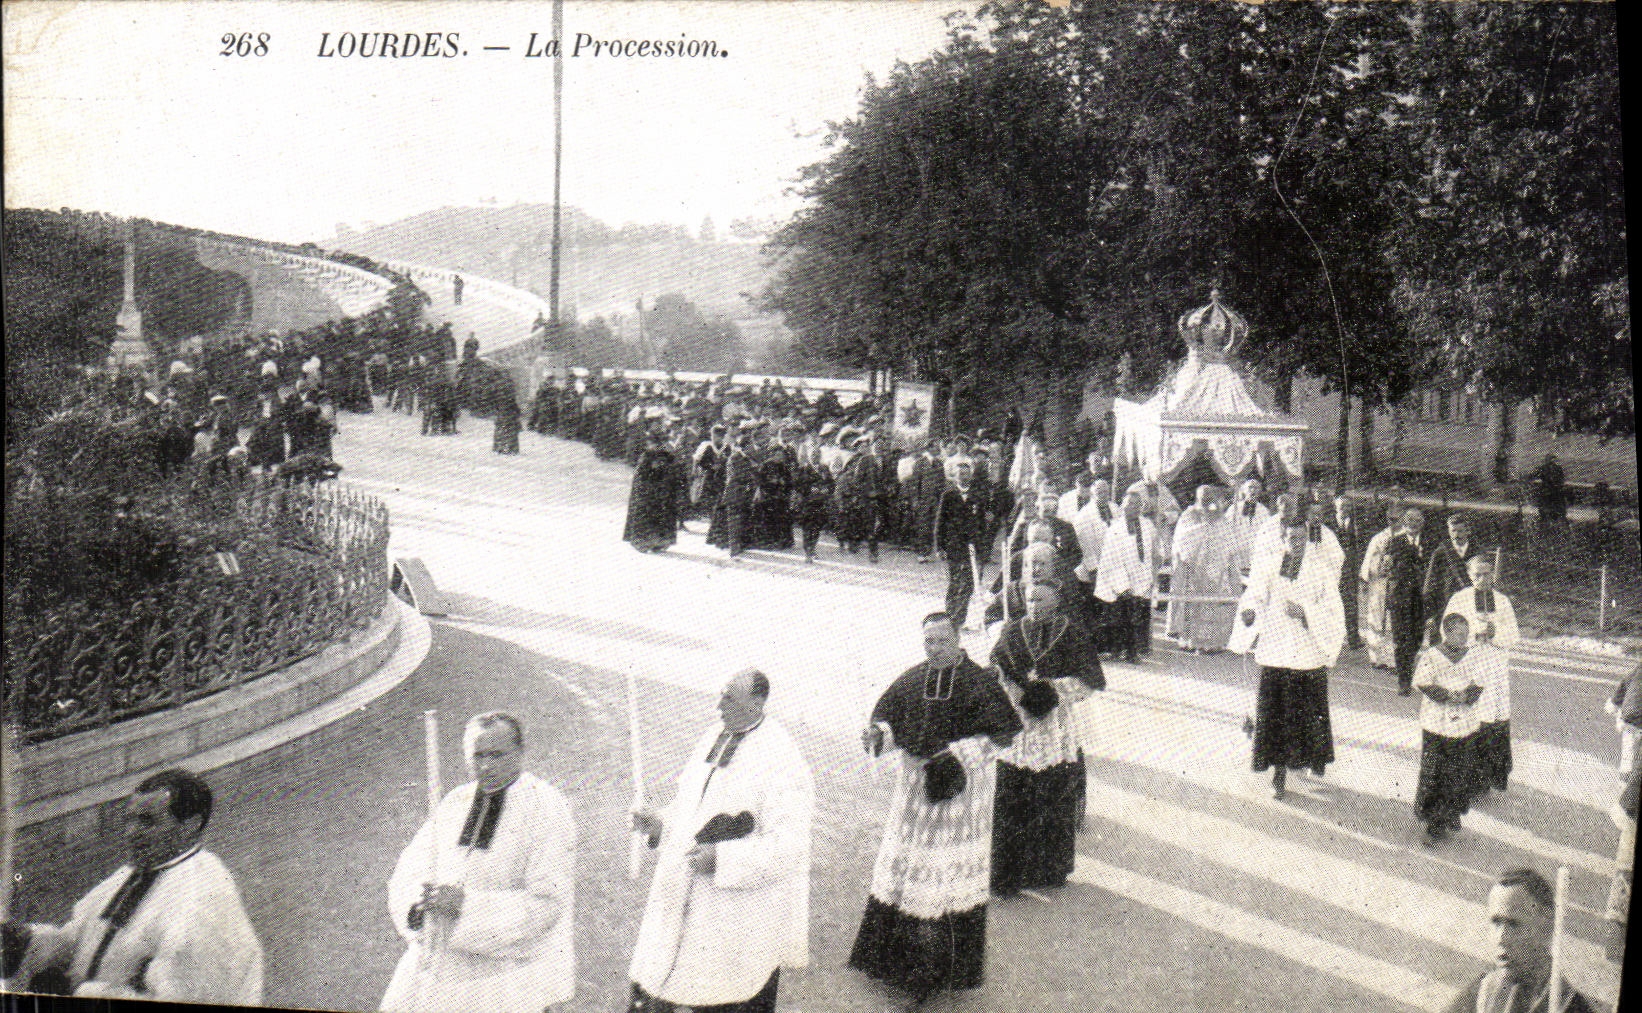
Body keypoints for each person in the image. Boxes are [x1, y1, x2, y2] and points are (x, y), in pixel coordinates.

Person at [849, 614, 1021, 1002]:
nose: (934, 648)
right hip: (914, 788)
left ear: (958, 640)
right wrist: (879, 735)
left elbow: (1005, 733)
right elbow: (890, 720)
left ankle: (932, 975)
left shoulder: (979, 682)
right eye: (928, 641)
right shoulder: (912, 678)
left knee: (941, 878)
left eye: (941, 641)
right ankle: (894, 965)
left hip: (960, 793)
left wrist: (957, 755)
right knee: (908, 872)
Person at [627, 670, 814, 1013]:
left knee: (715, 995)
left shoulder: (782, 758)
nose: (718, 706)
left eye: (729, 698)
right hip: (680, 893)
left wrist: (723, 859)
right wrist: (660, 825)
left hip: (731, 913)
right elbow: (689, 807)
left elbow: (789, 846)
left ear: (758, 702)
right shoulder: (714, 735)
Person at [5, 769, 264, 1003]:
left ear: (190, 826)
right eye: (129, 820)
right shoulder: (138, 870)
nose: (131, 832)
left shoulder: (202, 902)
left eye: (147, 821)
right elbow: (79, 940)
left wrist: (81, 992)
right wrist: (26, 941)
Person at [382, 712, 576, 1013]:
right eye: (477, 756)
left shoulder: (546, 808)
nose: (485, 766)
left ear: (520, 753)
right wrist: (417, 906)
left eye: (497, 755)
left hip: (503, 973)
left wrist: (465, 904)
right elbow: (410, 870)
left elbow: (547, 905)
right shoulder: (455, 801)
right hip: (433, 958)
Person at [988, 583, 1104, 895]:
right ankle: (1007, 871)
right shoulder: (1013, 630)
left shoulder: (1072, 633)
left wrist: (1053, 691)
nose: (1034, 604)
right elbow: (996, 668)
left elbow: (1090, 680)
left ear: (1056, 602)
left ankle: (1048, 869)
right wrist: (1018, 691)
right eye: (1030, 599)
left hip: (1056, 722)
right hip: (1020, 721)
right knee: (1012, 794)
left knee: (1053, 795)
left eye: (1040, 599)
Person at [1235, 520, 1346, 799]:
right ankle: (1279, 772)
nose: (1295, 543)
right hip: (1276, 647)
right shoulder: (1271, 566)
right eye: (1290, 538)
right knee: (1275, 714)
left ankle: (1312, 759)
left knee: (1307, 712)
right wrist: (1249, 611)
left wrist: (1306, 612)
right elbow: (1255, 596)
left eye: (1300, 538)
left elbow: (1334, 611)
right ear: (1282, 538)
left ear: (1307, 539)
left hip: (1307, 651)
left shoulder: (1320, 570)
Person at [1439, 868, 1595, 1013]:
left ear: (1547, 925)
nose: (1501, 938)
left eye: (1513, 924)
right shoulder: (1481, 994)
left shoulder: (1571, 1006)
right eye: (1496, 922)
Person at [1444, 556, 1521, 796]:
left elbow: (1514, 635)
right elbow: (1446, 629)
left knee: (1491, 722)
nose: (1483, 579)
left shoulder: (1503, 601)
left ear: (1493, 574)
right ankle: (1464, 778)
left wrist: (1496, 631)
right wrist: (1472, 633)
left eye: (1487, 574)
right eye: (1477, 574)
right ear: (1469, 575)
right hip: (1470, 667)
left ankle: (1486, 778)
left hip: (1495, 670)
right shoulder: (1459, 599)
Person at [1414, 614, 1486, 845]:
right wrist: (1446, 696)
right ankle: (1433, 820)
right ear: (1447, 633)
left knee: (1456, 771)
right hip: (1436, 721)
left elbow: (1480, 681)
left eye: (1467, 634)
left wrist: (1466, 696)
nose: (1464, 639)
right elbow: (1423, 682)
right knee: (1435, 769)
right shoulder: (1432, 656)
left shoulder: (1474, 655)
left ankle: (1448, 816)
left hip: (1463, 722)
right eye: (1459, 634)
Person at [1170, 485, 1239, 653]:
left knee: (1212, 605)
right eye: (1203, 496)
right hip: (1192, 567)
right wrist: (1203, 530)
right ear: (1197, 497)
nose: (1206, 500)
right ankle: (1189, 640)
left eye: (1209, 496)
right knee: (1192, 604)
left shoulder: (1221, 517)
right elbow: (1182, 538)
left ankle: (1213, 643)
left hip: (1215, 568)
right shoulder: (1189, 514)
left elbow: (1228, 539)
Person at [1095, 488, 1158, 663]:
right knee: (1120, 617)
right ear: (1123, 506)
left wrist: (1150, 576)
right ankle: (1119, 651)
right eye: (1130, 504)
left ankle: (1133, 651)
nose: (1134, 508)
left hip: (1141, 578)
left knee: (1136, 616)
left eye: (1138, 504)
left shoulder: (1147, 525)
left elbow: (1152, 552)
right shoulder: (1114, 529)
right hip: (1118, 580)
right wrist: (1123, 586)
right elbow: (1112, 559)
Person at [933, 455, 989, 623]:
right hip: (954, 546)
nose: (963, 477)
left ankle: (958, 618)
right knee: (955, 581)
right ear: (954, 476)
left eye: (966, 474)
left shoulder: (978, 495)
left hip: (973, 546)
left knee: (970, 582)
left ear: (970, 475)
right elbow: (940, 521)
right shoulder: (948, 495)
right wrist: (939, 547)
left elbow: (982, 523)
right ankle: (950, 617)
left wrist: (983, 547)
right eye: (960, 474)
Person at [1387, 508, 1429, 695]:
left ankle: (1409, 667)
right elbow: (1390, 568)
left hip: (1420, 599)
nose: (1414, 523)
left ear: (1422, 523)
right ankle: (1403, 680)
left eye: (1418, 520)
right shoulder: (1395, 541)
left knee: (1417, 638)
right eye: (1410, 520)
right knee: (1400, 639)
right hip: (1400, 599)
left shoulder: (1429, 542)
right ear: (1404, 522)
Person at [1358, 501, 1405, 669]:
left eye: (1396, 518)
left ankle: (1392, 659)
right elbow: (1368, 560)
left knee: (1393, 622)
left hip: (1396, 585)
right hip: (1378, 584)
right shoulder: (1378, 538)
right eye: (1390, 518)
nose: (1393, 522)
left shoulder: (1407, 537)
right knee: (1375, 619)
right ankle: (1376, 657)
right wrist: (1366, 579)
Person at [625, 431, 684, 553]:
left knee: (662, 516)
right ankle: (643, 542)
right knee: (646, 516)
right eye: (652, 444)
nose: (655, 447)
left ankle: (660, 542)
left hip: (663, 493)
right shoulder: (646, 457)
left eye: (658, 444)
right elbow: (640, 476)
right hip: (648, 493)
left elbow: (675, 472)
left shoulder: (668, 457)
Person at [1423, 513, 1478, 644]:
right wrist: (1428, 610)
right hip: (1444, 601)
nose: (1456, 535)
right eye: (1453, 530)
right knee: (1438, 639)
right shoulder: (1441, 552)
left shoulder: (1476, 551)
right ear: (1448, 531)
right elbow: (1430, 582)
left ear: (1468, 531)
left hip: (1467, 601)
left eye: (1460, 530)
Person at [1330, 494, 1366, 651]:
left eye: (1347, 506)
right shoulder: (1328, 525)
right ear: (1335, 507)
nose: (1344, 509)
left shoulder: (1357, 525)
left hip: (1350, 571)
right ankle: (1332, 638)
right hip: (1332, 572)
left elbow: (1361, 547)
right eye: (1341, 506)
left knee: (1351, 604)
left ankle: (1353, 638)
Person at [1227, 478, 1270, 576]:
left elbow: (1267, 533)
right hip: (1237, 554)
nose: (1253, 490)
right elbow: (1226, 530)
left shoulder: (1264, 511)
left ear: (1260, 491)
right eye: (1250, 487)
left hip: (1256, 556)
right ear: (1243, 490)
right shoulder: (1234, 509)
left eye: (1256, 488)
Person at [1531, 452, 1568, 533]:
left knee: (1547, 512)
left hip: (1549, 493)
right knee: (1549, 512)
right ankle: (1550, 528)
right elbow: (1561, 481)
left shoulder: (1545, 468)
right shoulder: (1555, 468)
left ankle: (1547, 528)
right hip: (1553, 493)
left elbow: (1533, 476)